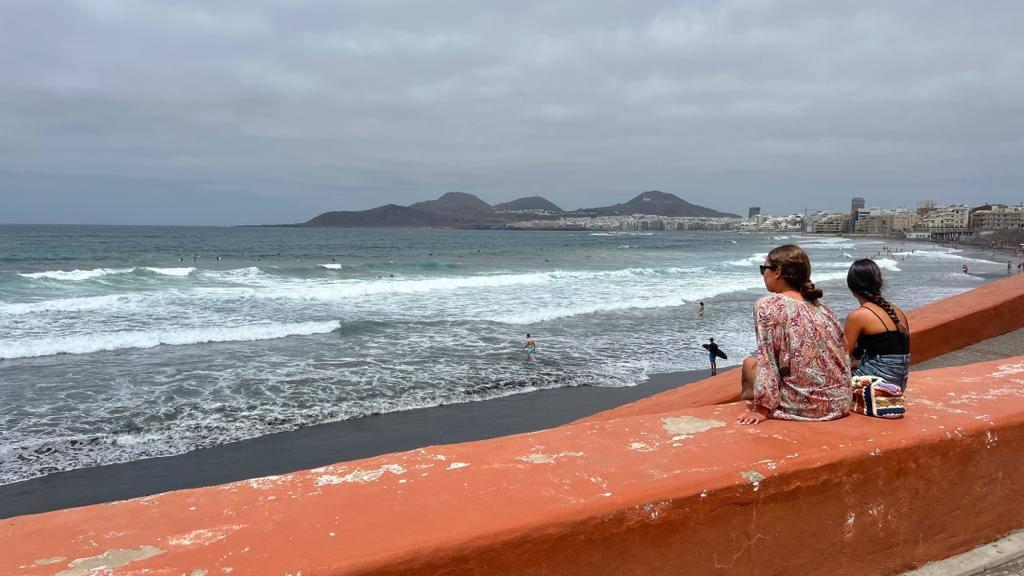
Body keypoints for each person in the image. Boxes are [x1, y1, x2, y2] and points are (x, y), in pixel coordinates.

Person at [737, 245, 851, 425]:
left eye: (763, 269)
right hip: (841, 402)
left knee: (748, 364)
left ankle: (751, 401)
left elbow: (768, 361)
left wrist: (762, 409)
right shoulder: (823, 308)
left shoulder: (768, 305)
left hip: (807, 407)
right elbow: (844, 355)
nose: (763, 275)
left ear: (777, 272)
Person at [844, 259, 911, 391]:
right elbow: (890, 356)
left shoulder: (858, 316)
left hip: (877, 385)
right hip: (898, 384)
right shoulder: (896, 311)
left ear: (851, 287)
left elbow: (841, 358)